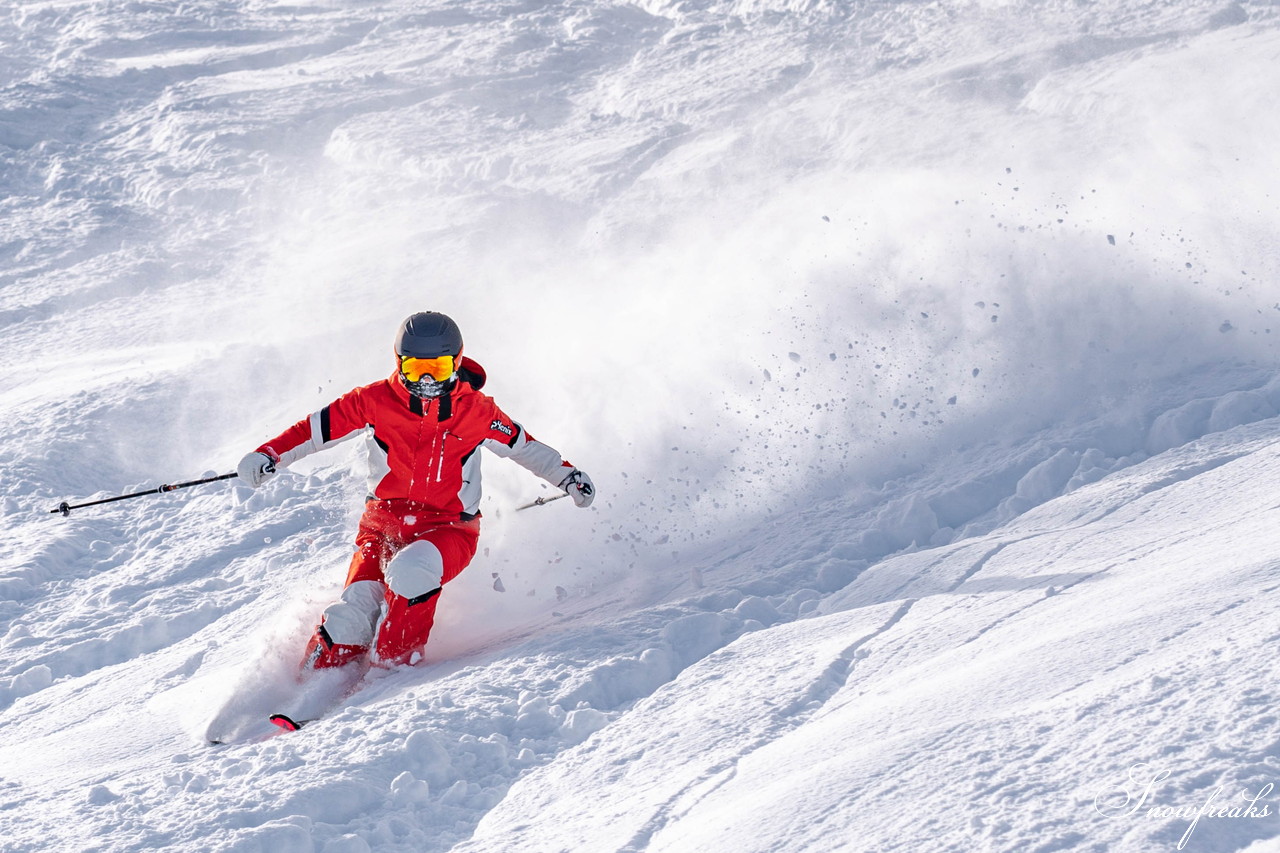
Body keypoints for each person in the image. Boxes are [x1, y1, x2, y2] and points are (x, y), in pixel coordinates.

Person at [236, 311, 595, 674]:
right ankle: (305, 689)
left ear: (456, 362)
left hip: (449, 530)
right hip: (382, 527)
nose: (425, 379)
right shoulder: (373, 400)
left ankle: (391, 670)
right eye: (415, 368)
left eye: (437, 369)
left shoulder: (477, 411)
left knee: (410, 573)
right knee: (352, 615)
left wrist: (568, 477)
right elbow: (313, 431)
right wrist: (269, 454)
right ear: (398, 362)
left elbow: (525, 448)